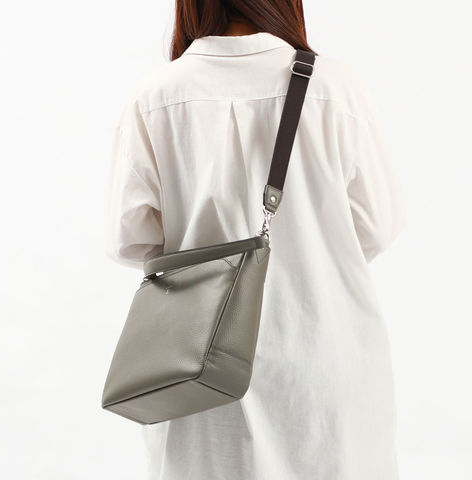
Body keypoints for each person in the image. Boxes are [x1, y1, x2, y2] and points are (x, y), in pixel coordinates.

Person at [104, 1, 407, 479]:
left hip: (199, 371)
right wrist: (309, 251)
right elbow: (375, 225)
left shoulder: (156, 96)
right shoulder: (335, 88)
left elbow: (130, 241)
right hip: (325, 359)